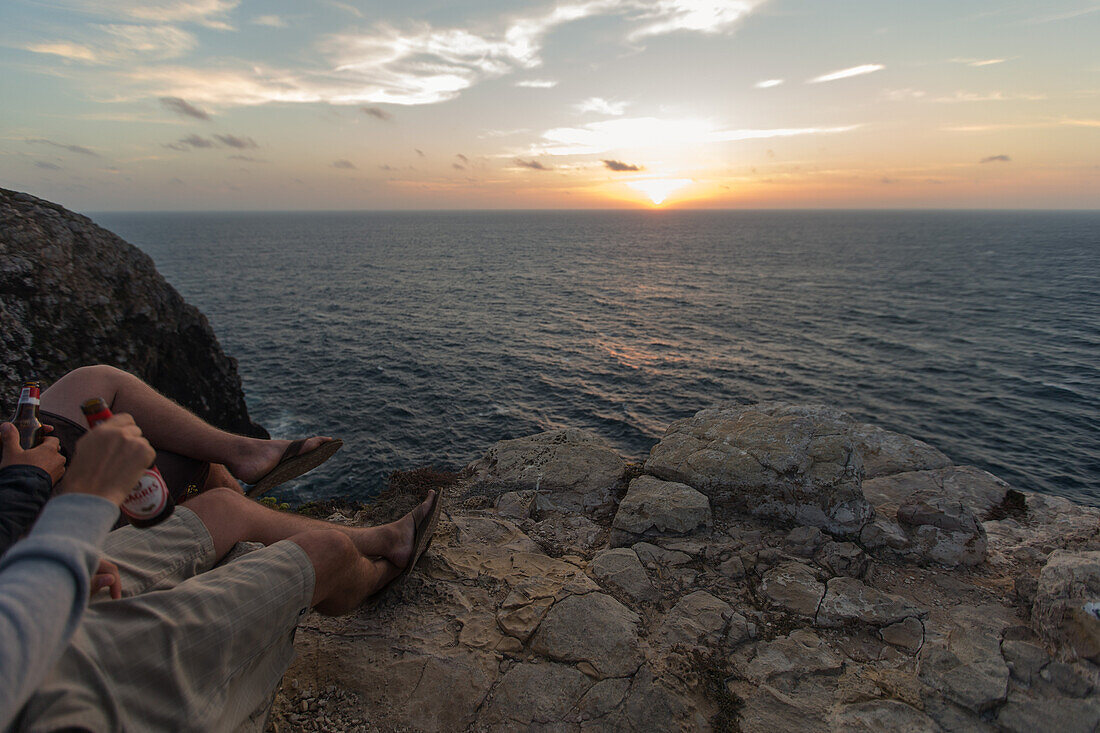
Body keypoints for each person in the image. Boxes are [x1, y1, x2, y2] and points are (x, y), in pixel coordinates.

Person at [0, 412, 441, 731]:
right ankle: (376, 576)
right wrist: (77, 514)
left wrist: (55, 557)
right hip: (48, 690)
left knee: (224, 507)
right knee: (324, 551)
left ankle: (380, 540)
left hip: (20, 602)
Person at [1, 364, 342, 554]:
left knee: (97, 381)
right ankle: (256, 539)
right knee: (194, 462)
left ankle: (246, 452)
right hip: (28, 522)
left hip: (14, 483)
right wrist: (28, 476)